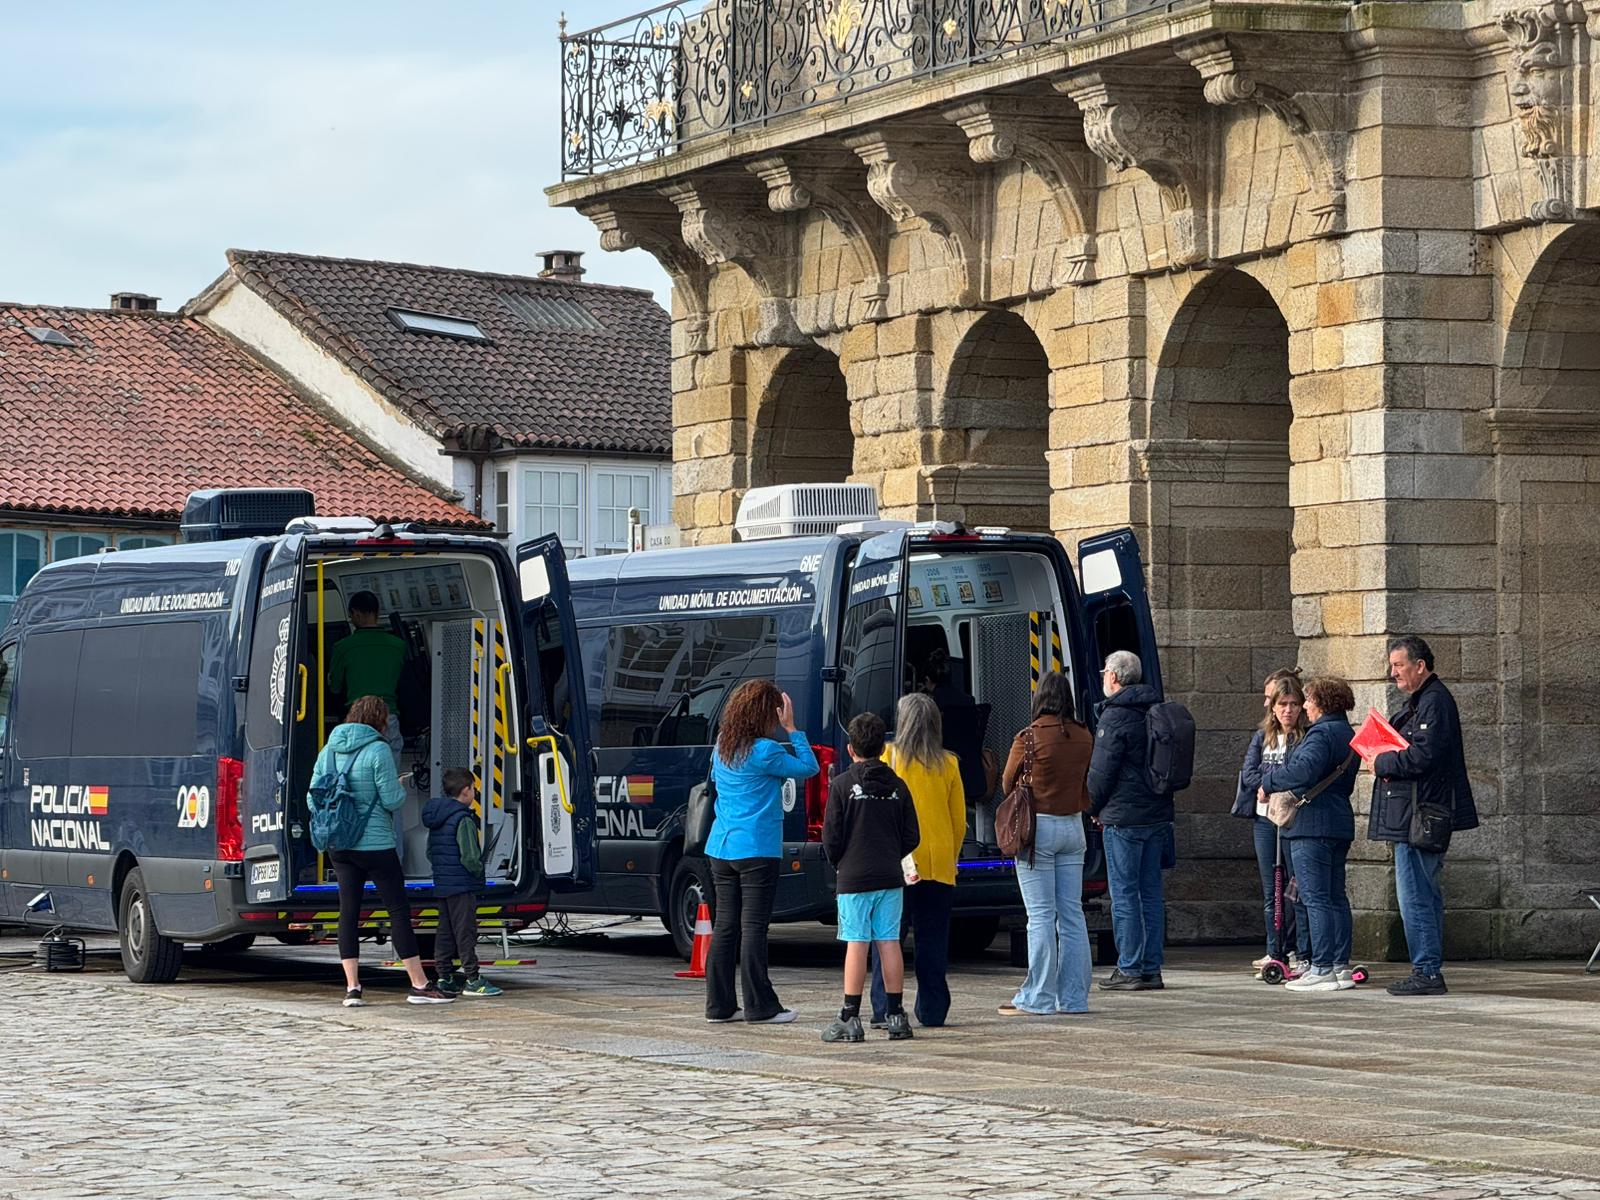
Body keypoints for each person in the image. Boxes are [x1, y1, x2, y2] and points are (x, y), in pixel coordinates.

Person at [314, 696, 452, 1006]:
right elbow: (391, 800)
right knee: (397, 912)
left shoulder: (329, 750)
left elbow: (314, 797)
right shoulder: (379, 750)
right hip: (376, 845)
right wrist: (400, 787)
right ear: (380, 721)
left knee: (347, 913)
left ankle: (352, 988)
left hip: (340, 845)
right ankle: (419, 984)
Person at [1368, 635, 1479, 997]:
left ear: (1420, 665)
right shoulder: (1422, 701)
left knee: (1415, 895)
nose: (1393, 672)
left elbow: (1424, 756)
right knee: (1422, 893)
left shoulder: (1434, 701)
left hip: (1422, 815)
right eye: (1392, 665)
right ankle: (1427, 968)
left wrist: (1382, 760)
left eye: (1399, 665)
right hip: (1415, 814)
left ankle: (1427, 971)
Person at [704, 679, 819, 1024]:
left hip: (721, 846)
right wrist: (793, 728)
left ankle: (719, 1006)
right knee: (754, 927)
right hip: (756, 848)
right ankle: (760, 1006)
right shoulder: (766, 751)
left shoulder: (722, 746)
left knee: (725, 927)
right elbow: (809, 768)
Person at [866, 692, 966, 1029]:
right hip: (938, 864)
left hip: (897, 863)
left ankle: (884, 1007)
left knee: (888, 938)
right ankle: (933, 1009)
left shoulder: (889, 758)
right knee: (933, 942)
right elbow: (958, 821)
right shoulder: (949, 763)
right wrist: (950, 858)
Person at [998, 671, 1094, 1016]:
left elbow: (1008, 782)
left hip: (1038, 830)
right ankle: (1074, 998)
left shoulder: (1029, 737)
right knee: (1072, 915)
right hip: (1073, 828)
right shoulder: (1084, 735)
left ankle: (1038, 997)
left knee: (1039, 916)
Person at [821, 712, 921, 1043]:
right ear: (883, 748)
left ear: (850, 749)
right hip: (890, 877)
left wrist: (841, 862)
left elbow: (831, 837)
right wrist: (892, 853)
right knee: (889, 942)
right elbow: (912, 835)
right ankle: (896, 1015)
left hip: (854, 876)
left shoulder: (842, 786)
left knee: (857, 943)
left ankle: (850, 1016)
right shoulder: (898, 785)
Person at [1258, 677, 1360, 994]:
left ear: (1322, 703)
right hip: (1338, 822)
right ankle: (1340, 966)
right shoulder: (1347, 732)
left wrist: (1270, 781)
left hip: (1312, 825)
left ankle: (1322, 968)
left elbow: (1302, 771)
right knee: (1334, 897)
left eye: (1309, 700)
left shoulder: (1321, 734)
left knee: (1314, 898)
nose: (1304, 706)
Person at [1087, 650, 1171, 992]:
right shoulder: (1155, 708)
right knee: (1150, 893)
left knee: (1123, 893)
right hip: (1157, 815)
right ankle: (1151, 968)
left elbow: (1101, 772)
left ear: (1114, 678)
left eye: (1105, 670)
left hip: (1123, 818)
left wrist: (1091, 806)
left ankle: (1129, 967)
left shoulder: (1115, 716)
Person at [1233, 669, 1311, 976]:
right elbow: (1248, 773)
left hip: (1292, 817)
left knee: (1297, 887)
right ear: (1273, 707)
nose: (1288, 710)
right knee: (1272, 889)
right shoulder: (1262, 737)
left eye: (1293, 704)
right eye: (1282, 704)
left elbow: (1300, 771)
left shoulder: (1304, 737)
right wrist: (1271, 782)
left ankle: (1299, 949)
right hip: (1265, 818)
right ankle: (1274, 948)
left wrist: (1273, 784)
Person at [422, 767, 501, 998]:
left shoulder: (437, 817)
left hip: (444, 883)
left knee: (445, 931)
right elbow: (470, 857)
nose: (474, 793)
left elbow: (430, 853)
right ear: (466, 790)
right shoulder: (463, 819)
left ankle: (444, 977)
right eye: (473, 788)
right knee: (465, 931)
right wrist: (478, 871)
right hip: (462, 884)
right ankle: (473, 978)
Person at [328, 590, 407, 768]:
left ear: (355, 613)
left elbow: (335, 687)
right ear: (377, 612)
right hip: (388, 714)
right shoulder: (399, 646)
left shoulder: (342, 647)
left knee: (358, 772)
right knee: (389, 772)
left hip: (357, 717)